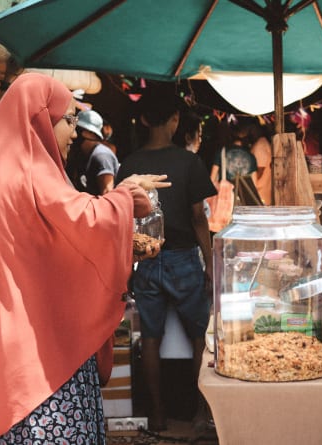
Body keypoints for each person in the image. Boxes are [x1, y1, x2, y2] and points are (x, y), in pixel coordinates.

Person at [0, 72, 168, 445]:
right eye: (68, 119)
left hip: (22, 332)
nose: (73, 131)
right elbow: (83, 219)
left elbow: (49, 242)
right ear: (40, 117)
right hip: (44, 343)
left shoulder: (9, 168)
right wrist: (127, 193)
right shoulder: (33, 170)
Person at [116, 89, 217, 431]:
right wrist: (211, 261)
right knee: (200, 336)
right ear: (175, 120)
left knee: (151, 339)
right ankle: (202, 413)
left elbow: (122, 220)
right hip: (183, 259)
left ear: (144, 119)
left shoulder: (129, 165)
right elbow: (198, 218)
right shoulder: (189, 162)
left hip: (144, 259)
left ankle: (157, 414)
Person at [66, 109, 120, 195]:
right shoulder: (83, 155)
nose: (74, 133)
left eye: (78, 128)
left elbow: (107, 193)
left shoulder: (101, 156)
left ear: (89, 133)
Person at [247, 122, 273, 205]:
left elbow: (260, 169)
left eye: (251, 131)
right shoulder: (263, 143)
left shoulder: (260, 146)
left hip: (259, 191)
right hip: (264, 190)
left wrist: (251, 188)